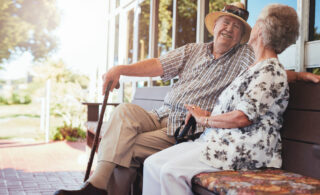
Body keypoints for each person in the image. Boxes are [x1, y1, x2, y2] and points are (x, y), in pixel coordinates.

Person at [55, 2, 320, 195]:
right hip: (159, 115)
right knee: (123, 111)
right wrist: (120, 69)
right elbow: (158, 65)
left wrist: (301, 76)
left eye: (237, 26)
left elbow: (269, 72)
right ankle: (97, 187)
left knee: (124, 148)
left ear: (244, 34)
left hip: (184, 127)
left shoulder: (245, 57)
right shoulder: (193, 50)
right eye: (225, 22)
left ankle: (96, 188)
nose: (229, 28)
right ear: (214, 26)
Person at [142, 3, 300, 195]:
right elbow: (236, 110)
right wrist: (204, 114)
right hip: (219, 140)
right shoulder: (253, 68)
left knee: (170, 172)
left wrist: (205, 120)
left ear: (260, 30)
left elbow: (243, 117)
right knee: (152, 163)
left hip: (244, 148)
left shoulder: (270, 70)